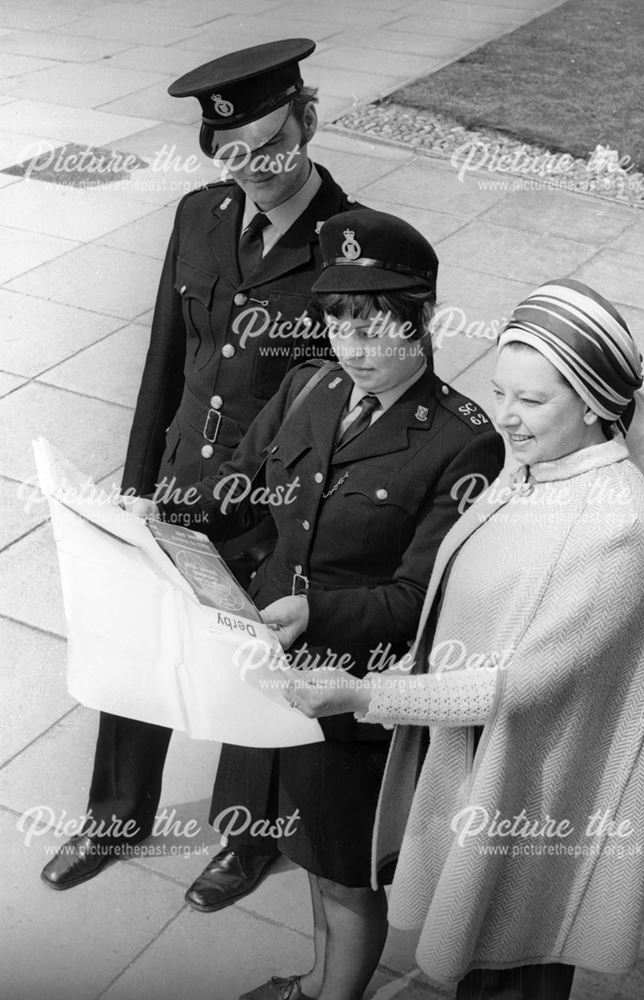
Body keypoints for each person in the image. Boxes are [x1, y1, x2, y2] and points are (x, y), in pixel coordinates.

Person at [140, 209, 505, 1000]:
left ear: (424, 318)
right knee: (305, 849)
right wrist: (164, 512)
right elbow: (243, 485)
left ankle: (334, 997)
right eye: (340, 325)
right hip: (272, 664)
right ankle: (315, 982)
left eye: (377, 329)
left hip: (352, 694)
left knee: (346, 871)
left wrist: (320, 616)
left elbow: (418, 600)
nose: (356, 350)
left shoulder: (463, 441)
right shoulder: (311, 383)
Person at [41, 38, 367, 895]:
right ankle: (116, 814)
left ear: (310, 116)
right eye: (232, 155)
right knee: (138, 642)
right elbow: (164, 356)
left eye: (270, 147)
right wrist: (139, 482)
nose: (253, 169)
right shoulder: (199, 215)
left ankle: (247, 839)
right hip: (180, 484)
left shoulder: (349, 246)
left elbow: (347, 404)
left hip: (271, 508)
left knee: (255, 672)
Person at [288, 278, 644, 1000]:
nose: (506, 419)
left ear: (593, 402)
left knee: (510, 970)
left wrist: (366, 692)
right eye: (501, 392)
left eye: (531, 401)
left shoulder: (617, 530)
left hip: (531, 799)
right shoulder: (534, 465)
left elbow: (515, 685)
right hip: (487, 764)